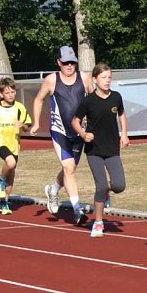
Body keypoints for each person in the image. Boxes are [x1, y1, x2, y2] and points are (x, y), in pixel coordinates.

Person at [30, 46, 92, 225]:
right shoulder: (51, 80)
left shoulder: (84, 78)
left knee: (70, 169)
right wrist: (36, 122)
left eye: (72, 62)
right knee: (68, 168)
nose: (69, 66)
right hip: (60, 131)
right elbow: (38, 99)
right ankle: (77, 210)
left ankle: (53, 189)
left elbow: (94, 101)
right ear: (59, 62)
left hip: (79, 132)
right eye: (65, 63)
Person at [71, 64, 128, 237]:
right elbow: (75, 121)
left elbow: (122, 115)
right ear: (95, 80)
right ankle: (98, 222)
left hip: (112, 148)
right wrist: (83, 134)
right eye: (103, 78)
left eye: (109, 77)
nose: (107, 81)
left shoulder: (116, 97)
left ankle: (105, 194)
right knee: (101, 185)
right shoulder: (88, 100)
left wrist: (124, 134)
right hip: (94, 149)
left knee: (119, 185)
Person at [0, 78, 32, 216]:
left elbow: (27, 127)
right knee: (10, 162)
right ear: (1, 94)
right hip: (0, 141)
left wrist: (23, 125)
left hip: (14, 143)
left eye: (13, 92)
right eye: (7, 92)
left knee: (11, 173)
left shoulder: (20, 107)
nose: (10, 95)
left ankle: (4, 202)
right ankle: (0, 180)